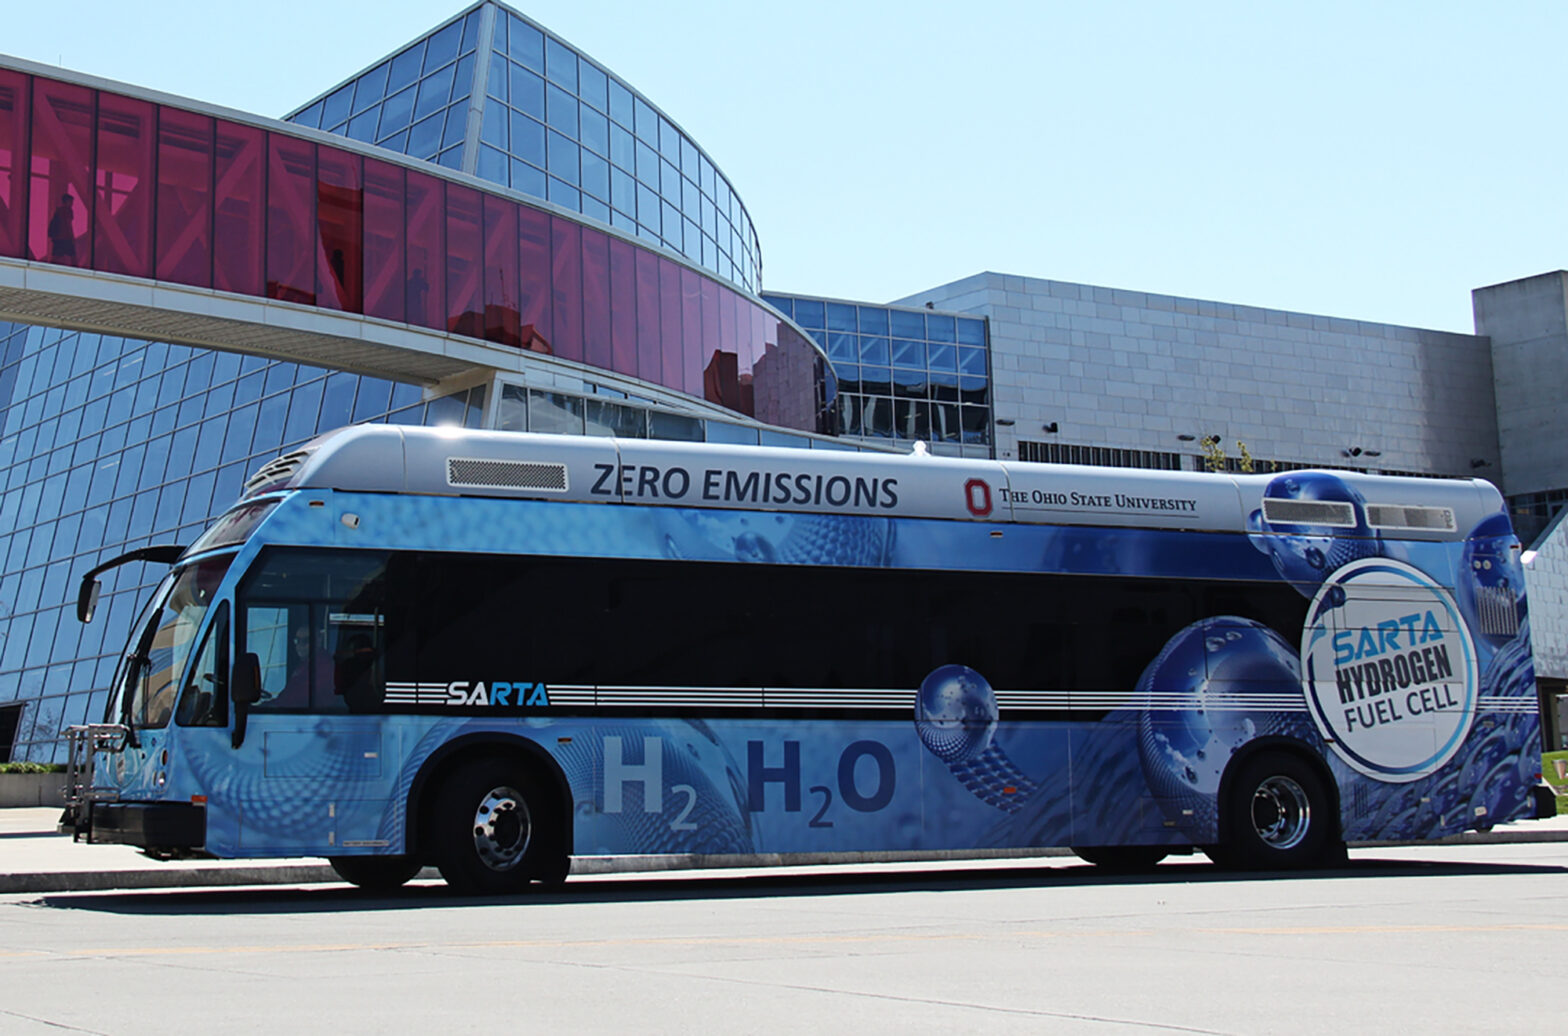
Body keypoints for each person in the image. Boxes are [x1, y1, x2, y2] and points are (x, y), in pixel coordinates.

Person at [48, 193, 76, 264]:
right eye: (71, 202)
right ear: (67, 201)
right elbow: (68, 224)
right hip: (65, 237)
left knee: (56, 256)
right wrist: (72, 236)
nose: (72, 204)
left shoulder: (58, 210)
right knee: (73, 256)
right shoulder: (68, 211)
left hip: (58, 237)